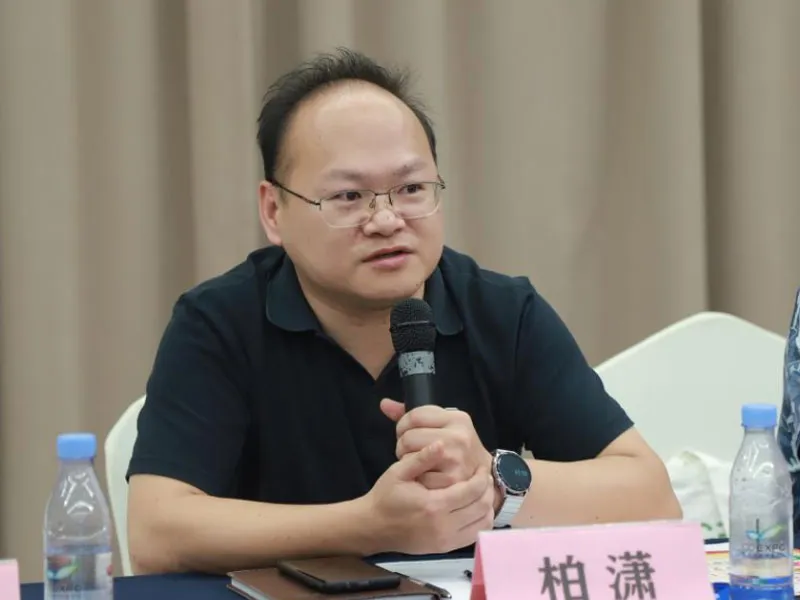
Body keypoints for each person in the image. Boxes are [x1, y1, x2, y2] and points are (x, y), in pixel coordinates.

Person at [126, 48, 681, 576]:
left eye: (412, 188)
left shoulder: (504, 312)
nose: (388, 220)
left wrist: (491, 481)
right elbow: (156, 534)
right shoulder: (218, 322)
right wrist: (367, 525)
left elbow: (653, 498)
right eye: (348, 197)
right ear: (274, 211)